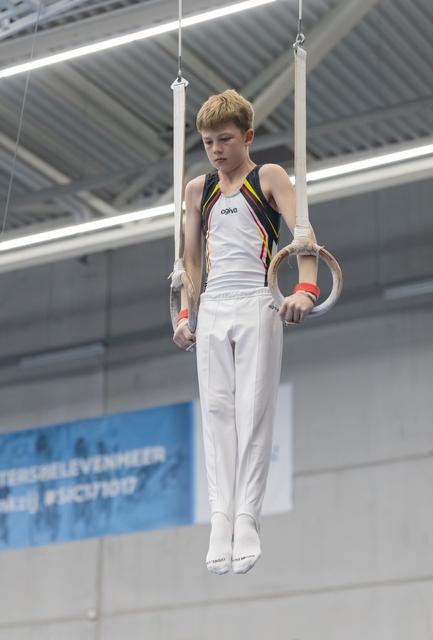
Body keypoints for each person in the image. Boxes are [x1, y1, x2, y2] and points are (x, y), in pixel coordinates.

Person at [173, 89, 319, 575]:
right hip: (212, 306)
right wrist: (183, 313)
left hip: (258, 301)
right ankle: (220, 517)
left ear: (248, 137)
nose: (216, 150)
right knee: (216, 414)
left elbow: (303, 233)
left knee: (252, 411)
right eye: (208, 142)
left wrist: (305, 289)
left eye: (225, 140)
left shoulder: (269, 177)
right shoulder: (199, 190)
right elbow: (191, 258)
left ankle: (247, 516)